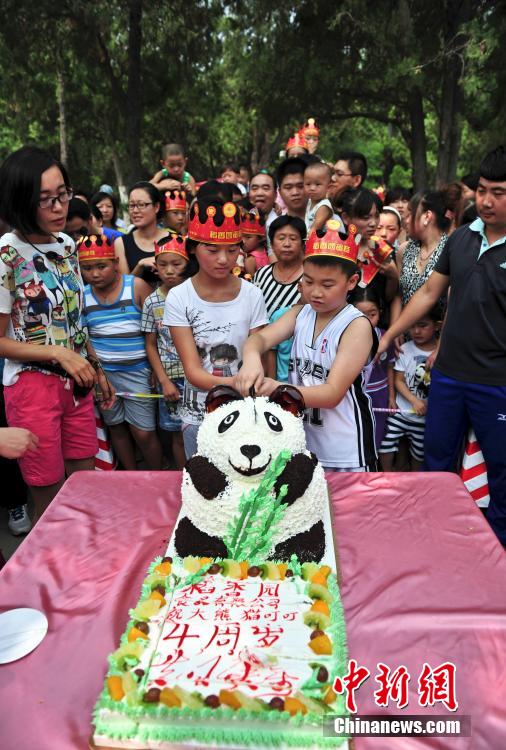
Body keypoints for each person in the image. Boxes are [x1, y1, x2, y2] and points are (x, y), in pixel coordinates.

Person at [377, 144, 506, 545]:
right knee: (436, 461)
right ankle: (433, 537)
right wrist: (389, 333)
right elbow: (430, 294)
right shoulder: (461, 239)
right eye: (481, 190)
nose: (486, 201)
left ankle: (496, 548)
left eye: (498, 193)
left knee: (501, 470)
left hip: (497, 382)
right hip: (448, 374)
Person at [0, 146, 113, 520]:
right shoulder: (6, 254)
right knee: (49, 499)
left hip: (77, 383)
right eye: (45, 199)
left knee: (84, 485)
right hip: (32, 388)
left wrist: (95, 367)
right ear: (21, 201)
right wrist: (58, 353)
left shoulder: (66, 245)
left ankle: (85, 553)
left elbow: (74, 319)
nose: (59, 207)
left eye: (63, 194)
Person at [236, 221, 377, 471]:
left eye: (327, 285)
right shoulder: (300, 313)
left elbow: (332, 394)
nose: (316, 292)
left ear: (352, 282)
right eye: (308, 282)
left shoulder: (356, 326)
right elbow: (259, 340)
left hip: (346, 451)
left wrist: (278, 389)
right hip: (303, 443)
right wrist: (251, 360)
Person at [165, 198, 267, 458]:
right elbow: (193, 372)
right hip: (200, 414)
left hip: (247, 412)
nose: (223, 259)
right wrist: (241, 383)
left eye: (232, 250)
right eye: (212, 250)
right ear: (193, 248)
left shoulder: (252, 294)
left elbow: (259, 353)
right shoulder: (179, 297)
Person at [79, 234, 163, 470]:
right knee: (116, 427)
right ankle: (130, 476)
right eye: (87, 268)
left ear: (115, 262)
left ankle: (157, 475)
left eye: (101, 266)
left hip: (139, 372)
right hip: (105, 376)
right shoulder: (83, 295)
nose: (95, 274)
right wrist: (98, 372)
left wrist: (158, 368)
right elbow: (85, 337)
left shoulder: (136, 286)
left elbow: (156, 330)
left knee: (144, 432)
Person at [141, 235, 190, 469]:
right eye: (163, 265)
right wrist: (163, 380)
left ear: (188, 263)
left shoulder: (196, 294)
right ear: (155, 266)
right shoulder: (152, 302)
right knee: (178, 434)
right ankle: (183, 478)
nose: (169, 271)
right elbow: (151, 344)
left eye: (176, 264)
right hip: (171, 378)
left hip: (200, 375)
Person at [378, 308, 440, 471]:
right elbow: (398, 380)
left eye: (423, 325)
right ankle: (387, 475)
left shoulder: (441, 353)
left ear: (437, 326)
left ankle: (414, 479)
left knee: (419, 454)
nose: (416, 331)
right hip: (401, 412)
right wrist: (414, 401)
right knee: (385, 446)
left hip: (424, 419)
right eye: (412, 326)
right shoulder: (405, 348)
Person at [338, 188, 399, 318]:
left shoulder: (384, 250)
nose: (373, 223)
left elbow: (388, 298)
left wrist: (393, 277)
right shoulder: (336, 249)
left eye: (376, 216)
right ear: (346, 218)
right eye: (365, 218)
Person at [350, 286, 395, 449]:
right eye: (360, 314)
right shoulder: (343, 337)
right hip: (353, 394)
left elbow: (390, 367)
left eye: (372, 314)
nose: (367, 320)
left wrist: (391, 396)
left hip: (379, 394)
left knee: (375, 435)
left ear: (380, 312)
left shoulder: (385, 337)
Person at [115, 182, 167, 286]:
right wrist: (140, 266)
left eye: (141, 205)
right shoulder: (121, 243)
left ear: (156, 207)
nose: (135, 210)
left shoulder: (175, 239)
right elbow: (124, 288)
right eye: (132, 205)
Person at [253, 215, 305, 317]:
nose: (287, 244)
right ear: (272, 244)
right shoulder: (262, 274)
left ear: (302, 244)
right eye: (281, 238)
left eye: (293, 238)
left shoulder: (309, 279)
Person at [248, 171, 279, 257]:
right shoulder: (245, 215)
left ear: (275, 194)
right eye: (254, 188)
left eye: (265, 188)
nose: (259, 193)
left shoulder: (279, 224)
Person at [304, 162, 333, 234]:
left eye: (318, 184)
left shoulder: (324, 206)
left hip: (324, 240)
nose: (312, 188)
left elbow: (314, 229)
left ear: (328, 187)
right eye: (308, 184)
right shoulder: (309, 201)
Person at [241, 211, 268, 276]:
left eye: (248, 237)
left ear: (261, 238)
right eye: (241, 236)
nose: (243, 241)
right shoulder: (267, 252)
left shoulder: (250, 261)